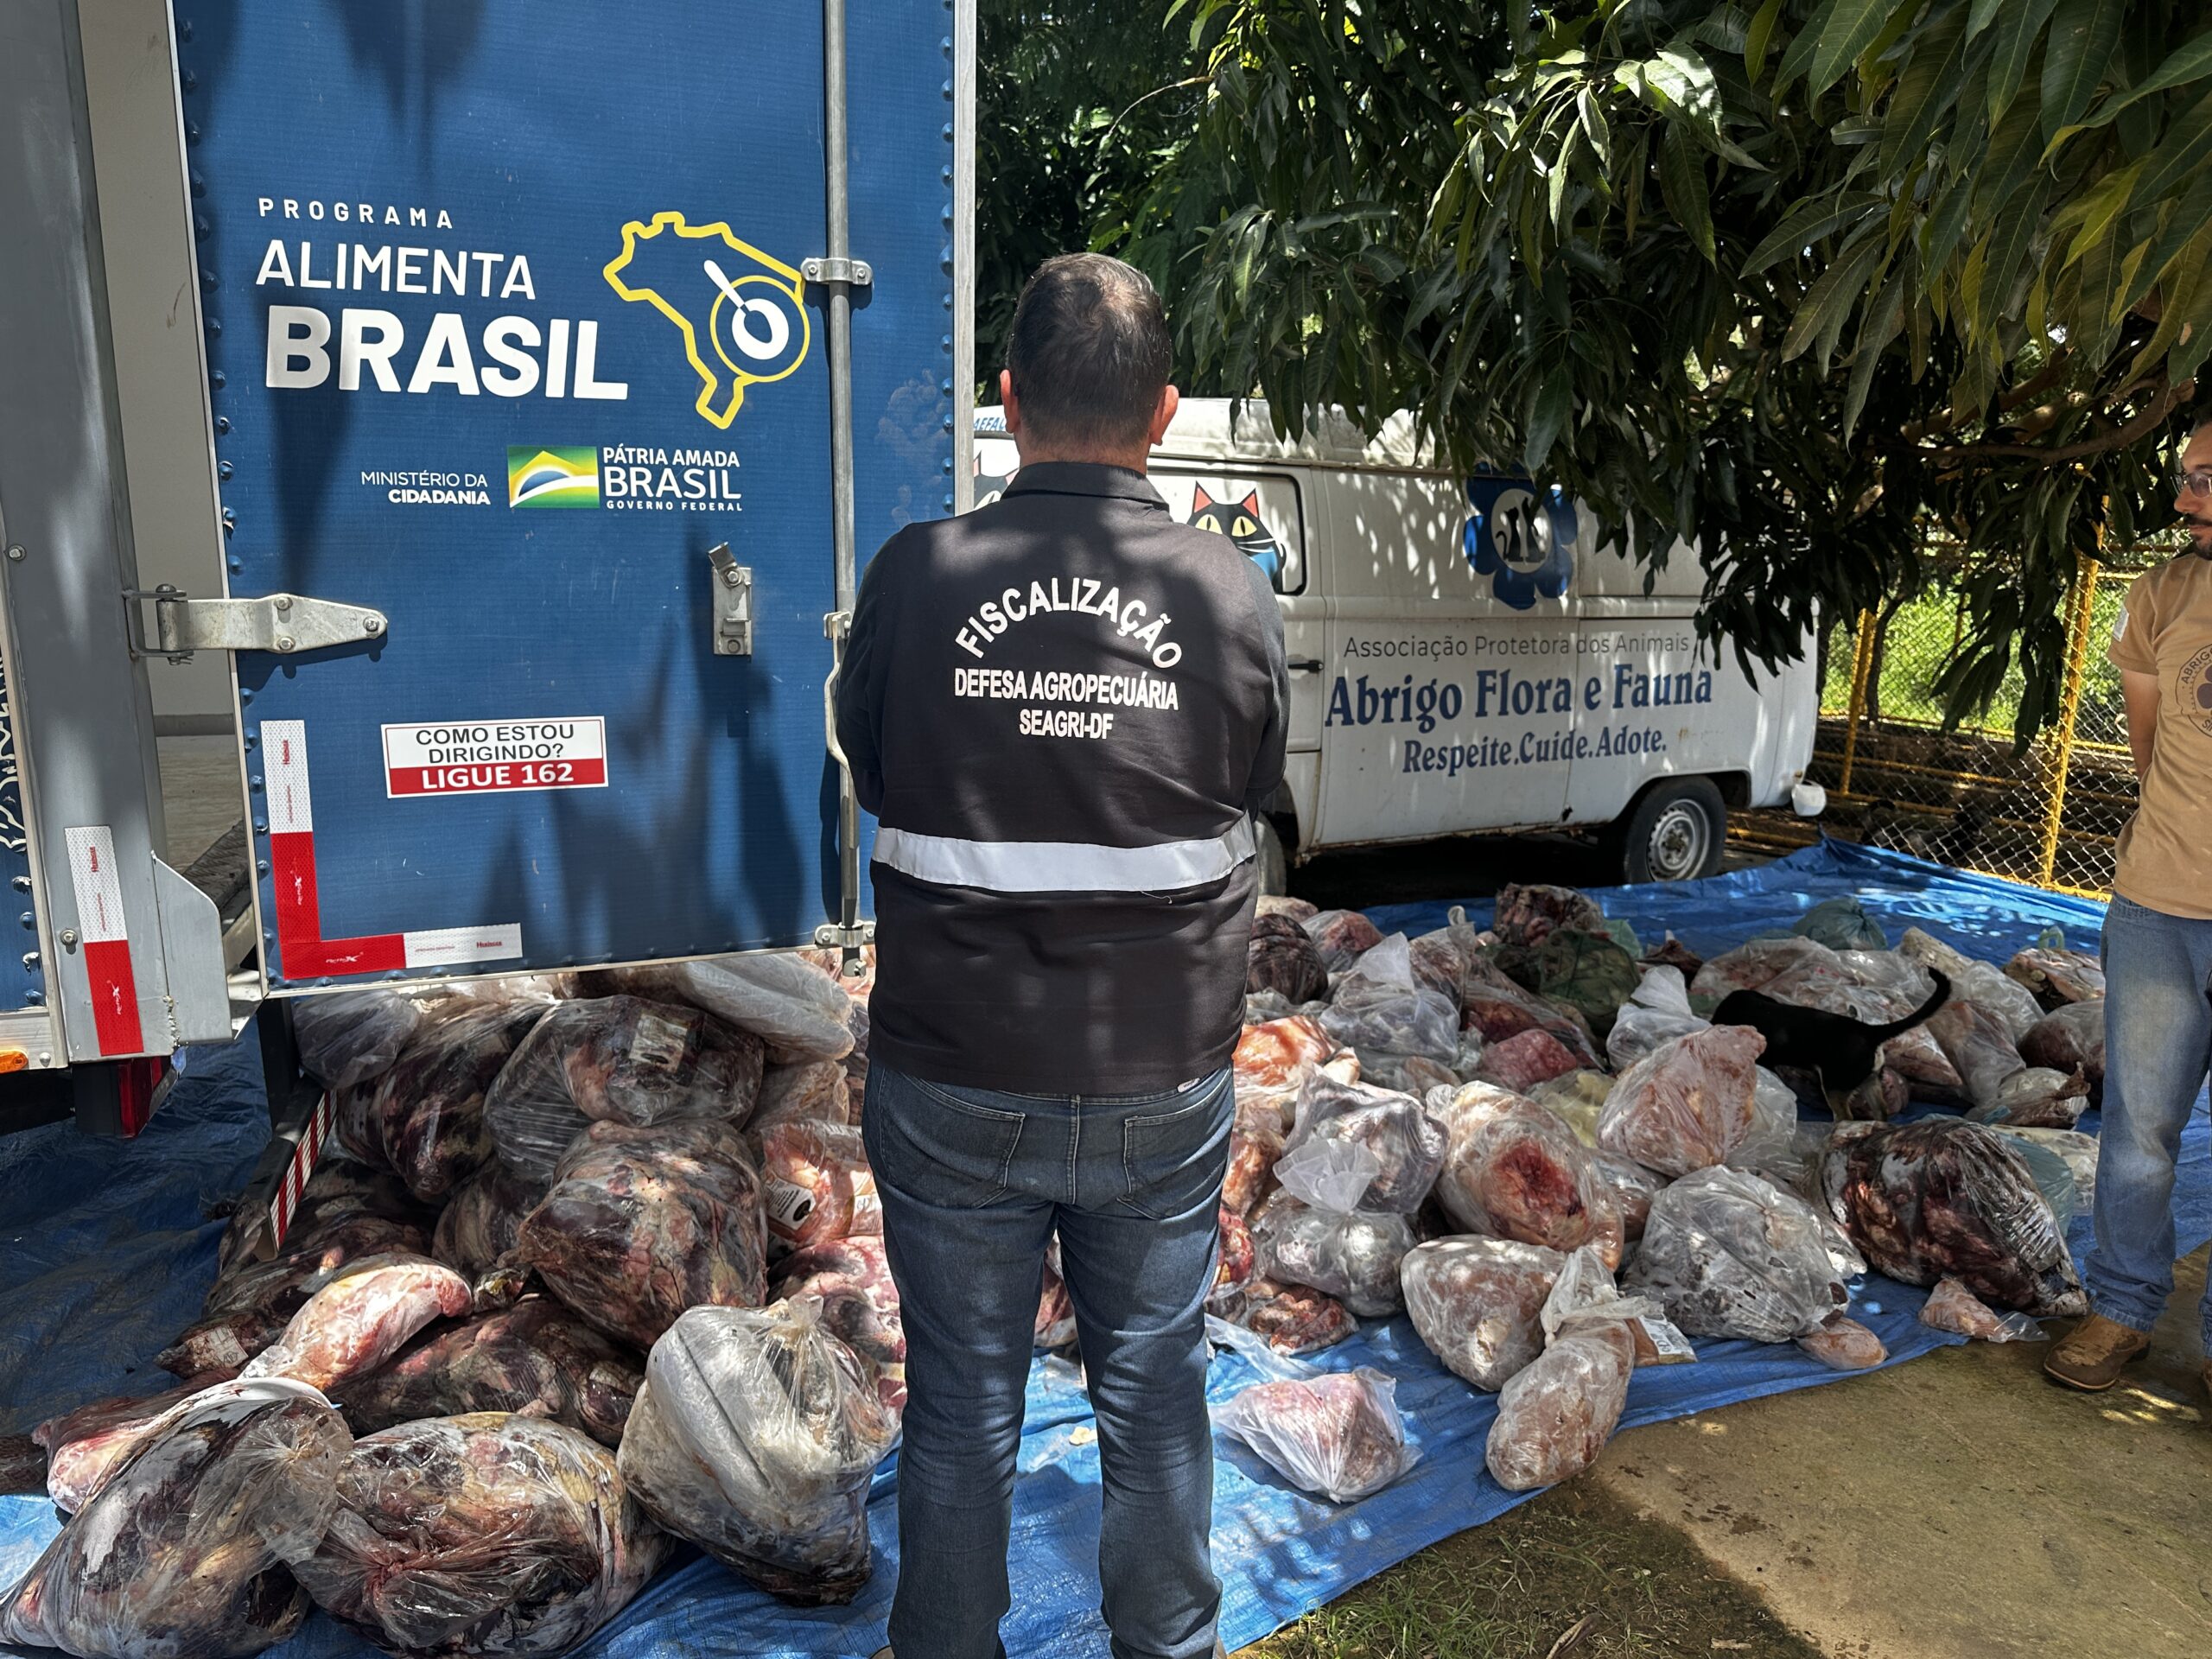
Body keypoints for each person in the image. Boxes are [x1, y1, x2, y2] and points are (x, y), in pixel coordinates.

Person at [834, 253, 1287, 1659]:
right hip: (1158, 1081)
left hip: (951, 1077)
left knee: (963, 1409)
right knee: (1154, 1394)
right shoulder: (1228, 594)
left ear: (1010, 400)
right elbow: (1251, 784)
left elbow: (874, 769)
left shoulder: (917, 576)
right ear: (1163, 414)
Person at [2045, 416, 2212, 1401]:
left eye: (2207, 479)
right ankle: (2121, 1309)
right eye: (2186, 476)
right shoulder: (2161, 593)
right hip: (2157, 905)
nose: (2185, 498)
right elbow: (2149, 748)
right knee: (2140, 1130)